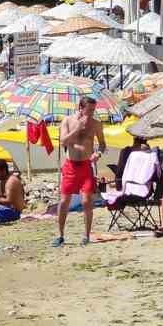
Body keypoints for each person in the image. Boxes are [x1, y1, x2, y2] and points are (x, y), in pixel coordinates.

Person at [53, 96, 106, 247]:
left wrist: (98, 153)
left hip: (86, 165)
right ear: (80, 108)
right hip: (70, 165)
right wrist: (77, 129)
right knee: (64, 202)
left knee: (87, 201)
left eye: (93, 110)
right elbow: (63, 141)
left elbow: (102, 144)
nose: (91, 113)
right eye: (89, 110)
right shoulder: (68, 121)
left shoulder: (96, 124)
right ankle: (60, 235)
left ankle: (86, 236)